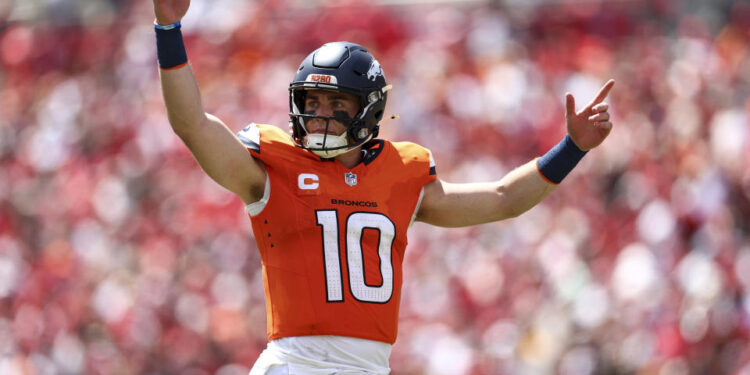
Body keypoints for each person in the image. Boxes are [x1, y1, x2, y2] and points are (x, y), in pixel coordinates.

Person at [152, 1, 614, 374]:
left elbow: (503, 198)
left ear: (368, 111)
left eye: (337, 102)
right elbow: (192, 124)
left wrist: (571, 147)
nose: (320, 114)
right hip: (297, 363)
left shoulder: (402, 172)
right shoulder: (272, 165)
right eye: (311, 101)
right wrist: (169, 32)